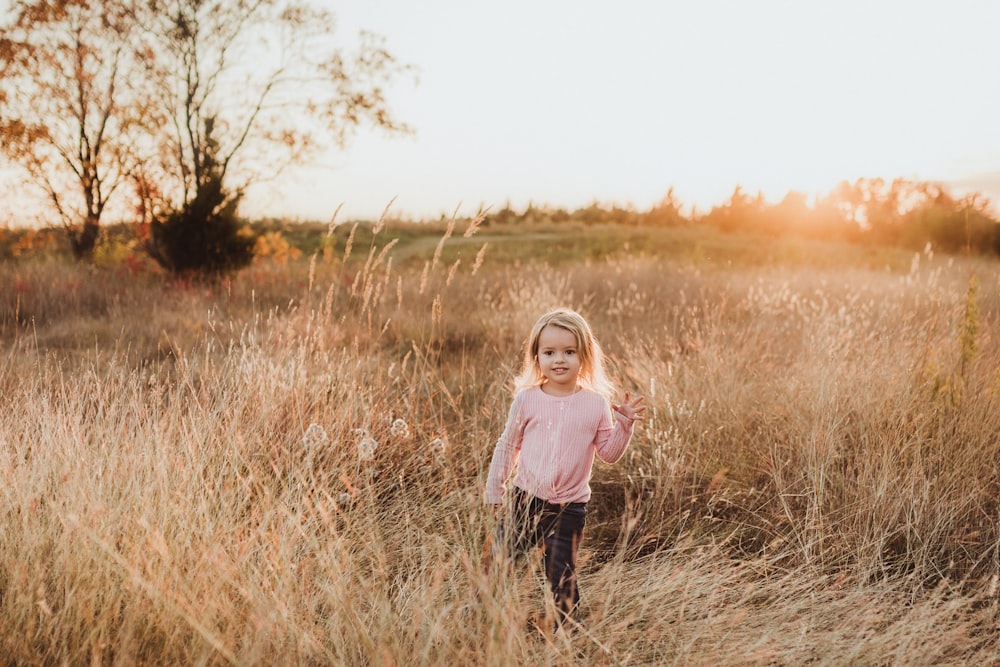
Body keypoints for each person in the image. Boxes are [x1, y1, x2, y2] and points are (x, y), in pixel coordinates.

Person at [484, 307, 645, 630]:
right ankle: (481, 614)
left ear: (584, 356)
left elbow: (609, 454)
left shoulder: (595, 403)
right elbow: (508, 445)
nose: (559, 360)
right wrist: (495, 489)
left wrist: (624, 425)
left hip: (569, 508)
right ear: (537, 357)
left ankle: (569, 629)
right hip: (525, 502)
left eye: (569, 352)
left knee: (561, 576)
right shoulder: (527, 399)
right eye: (550, 352)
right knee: (499, 563)